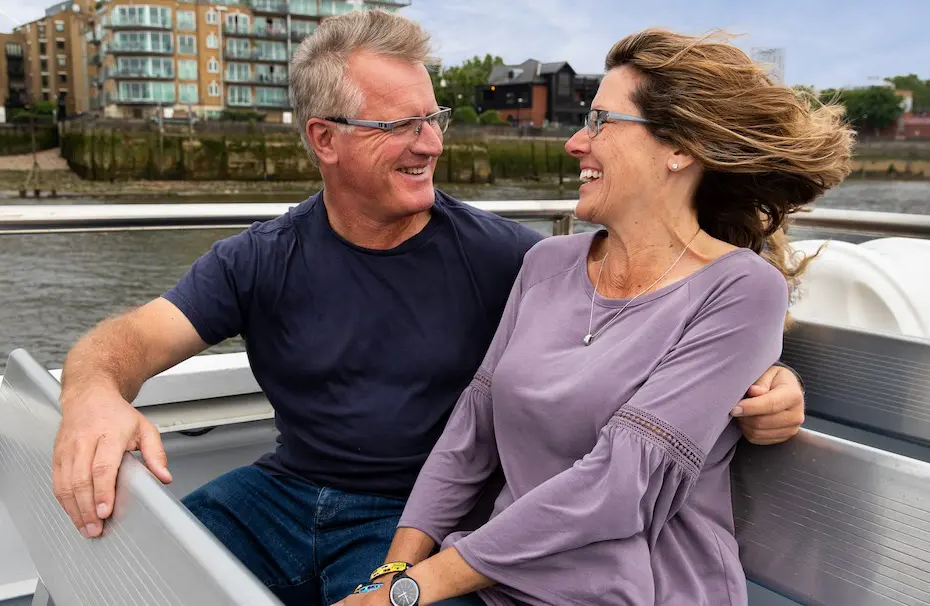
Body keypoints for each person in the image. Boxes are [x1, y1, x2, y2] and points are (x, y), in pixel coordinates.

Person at [50, 11, 809, 606]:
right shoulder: (264, 255)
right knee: (121, 570)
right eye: (398, 126)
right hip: (282, 492)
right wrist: (90, 392)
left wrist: (773, 377)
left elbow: (666, 332)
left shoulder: (502, 255)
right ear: (325, 139)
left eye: (432, 118)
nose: (429, 144)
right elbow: (132, 339)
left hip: (415, 514)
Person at [336, 27, 853, 606]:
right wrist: (392, 572)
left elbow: (620, 481)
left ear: (679, 147)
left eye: (602, 122)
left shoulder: (741, 289)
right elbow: (471, 432)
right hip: (500, 583)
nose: (575, 143)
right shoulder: (545, 264)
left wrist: (417, 587)